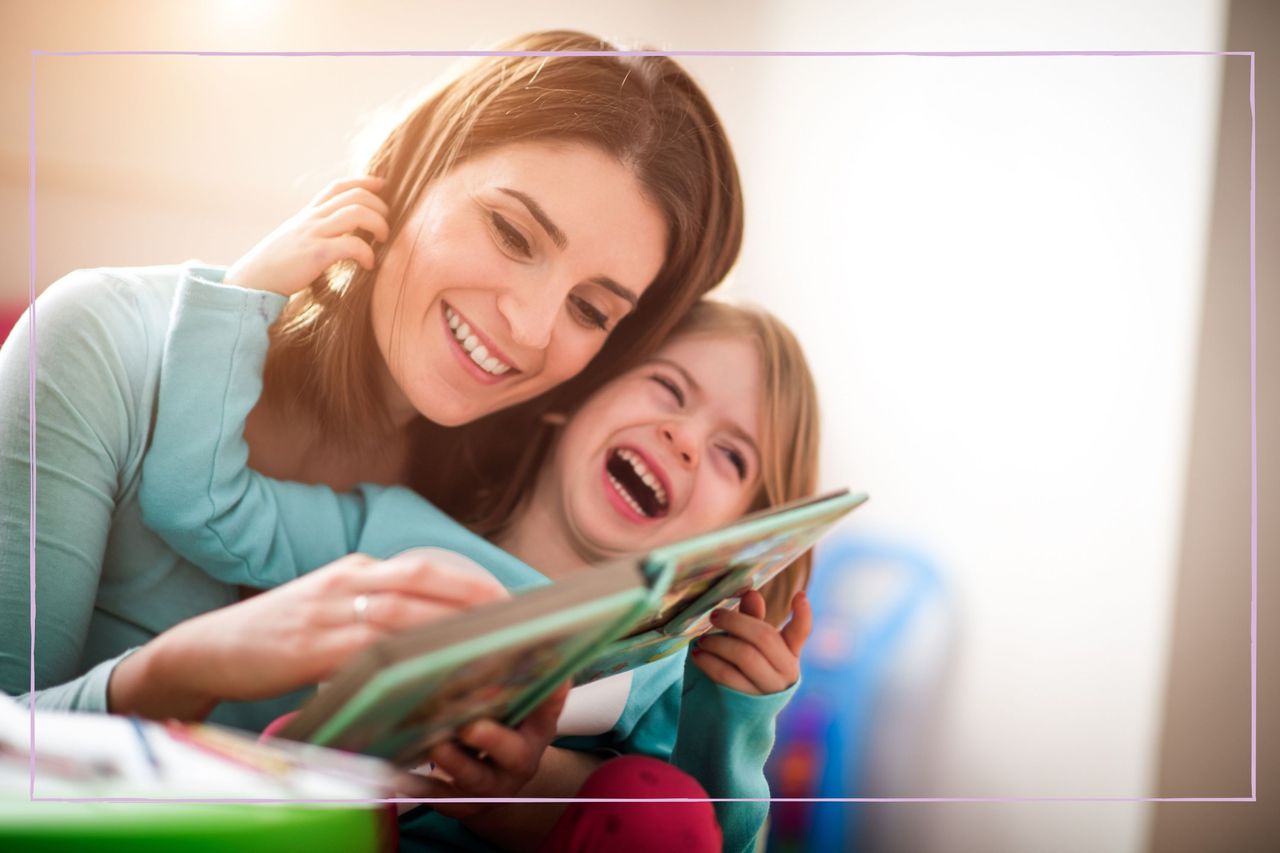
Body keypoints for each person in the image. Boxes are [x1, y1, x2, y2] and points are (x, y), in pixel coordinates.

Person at [0, 25, 742, 786]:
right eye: (512, 232)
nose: (530, 327)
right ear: (414, 168)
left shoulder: (506, 490)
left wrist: (523, 781)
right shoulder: (95, 340)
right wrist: (185, 666)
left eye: (590, 309)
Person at [138, 255, 821, 853]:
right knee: (313, 746)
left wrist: (734, 714)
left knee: (659, 807)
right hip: (313, 813)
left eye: (731, 454)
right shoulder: (389, 527)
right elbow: (198, 502)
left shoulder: (667, 668)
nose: (685, 440)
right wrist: (239, 297)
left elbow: (707, 838)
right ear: (571, 396)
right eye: (669, 388)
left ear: (741, 531)